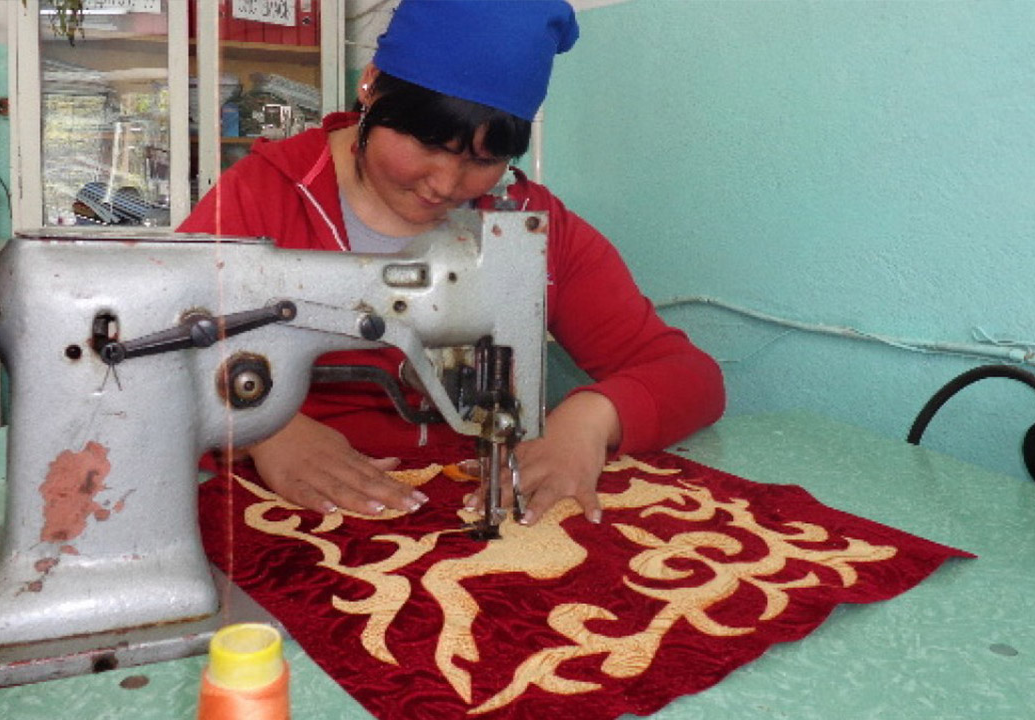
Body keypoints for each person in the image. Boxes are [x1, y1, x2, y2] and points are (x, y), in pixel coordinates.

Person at [180, 0, 725, 526]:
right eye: (426, 142)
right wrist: (262, 430)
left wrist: (589, 419)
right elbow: (145, 357)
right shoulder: (260, 199)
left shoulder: (530, 223)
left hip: (463, 498)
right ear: (370, 84)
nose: (444, 185)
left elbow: (689, 377)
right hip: (291, 511)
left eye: (483, 160)